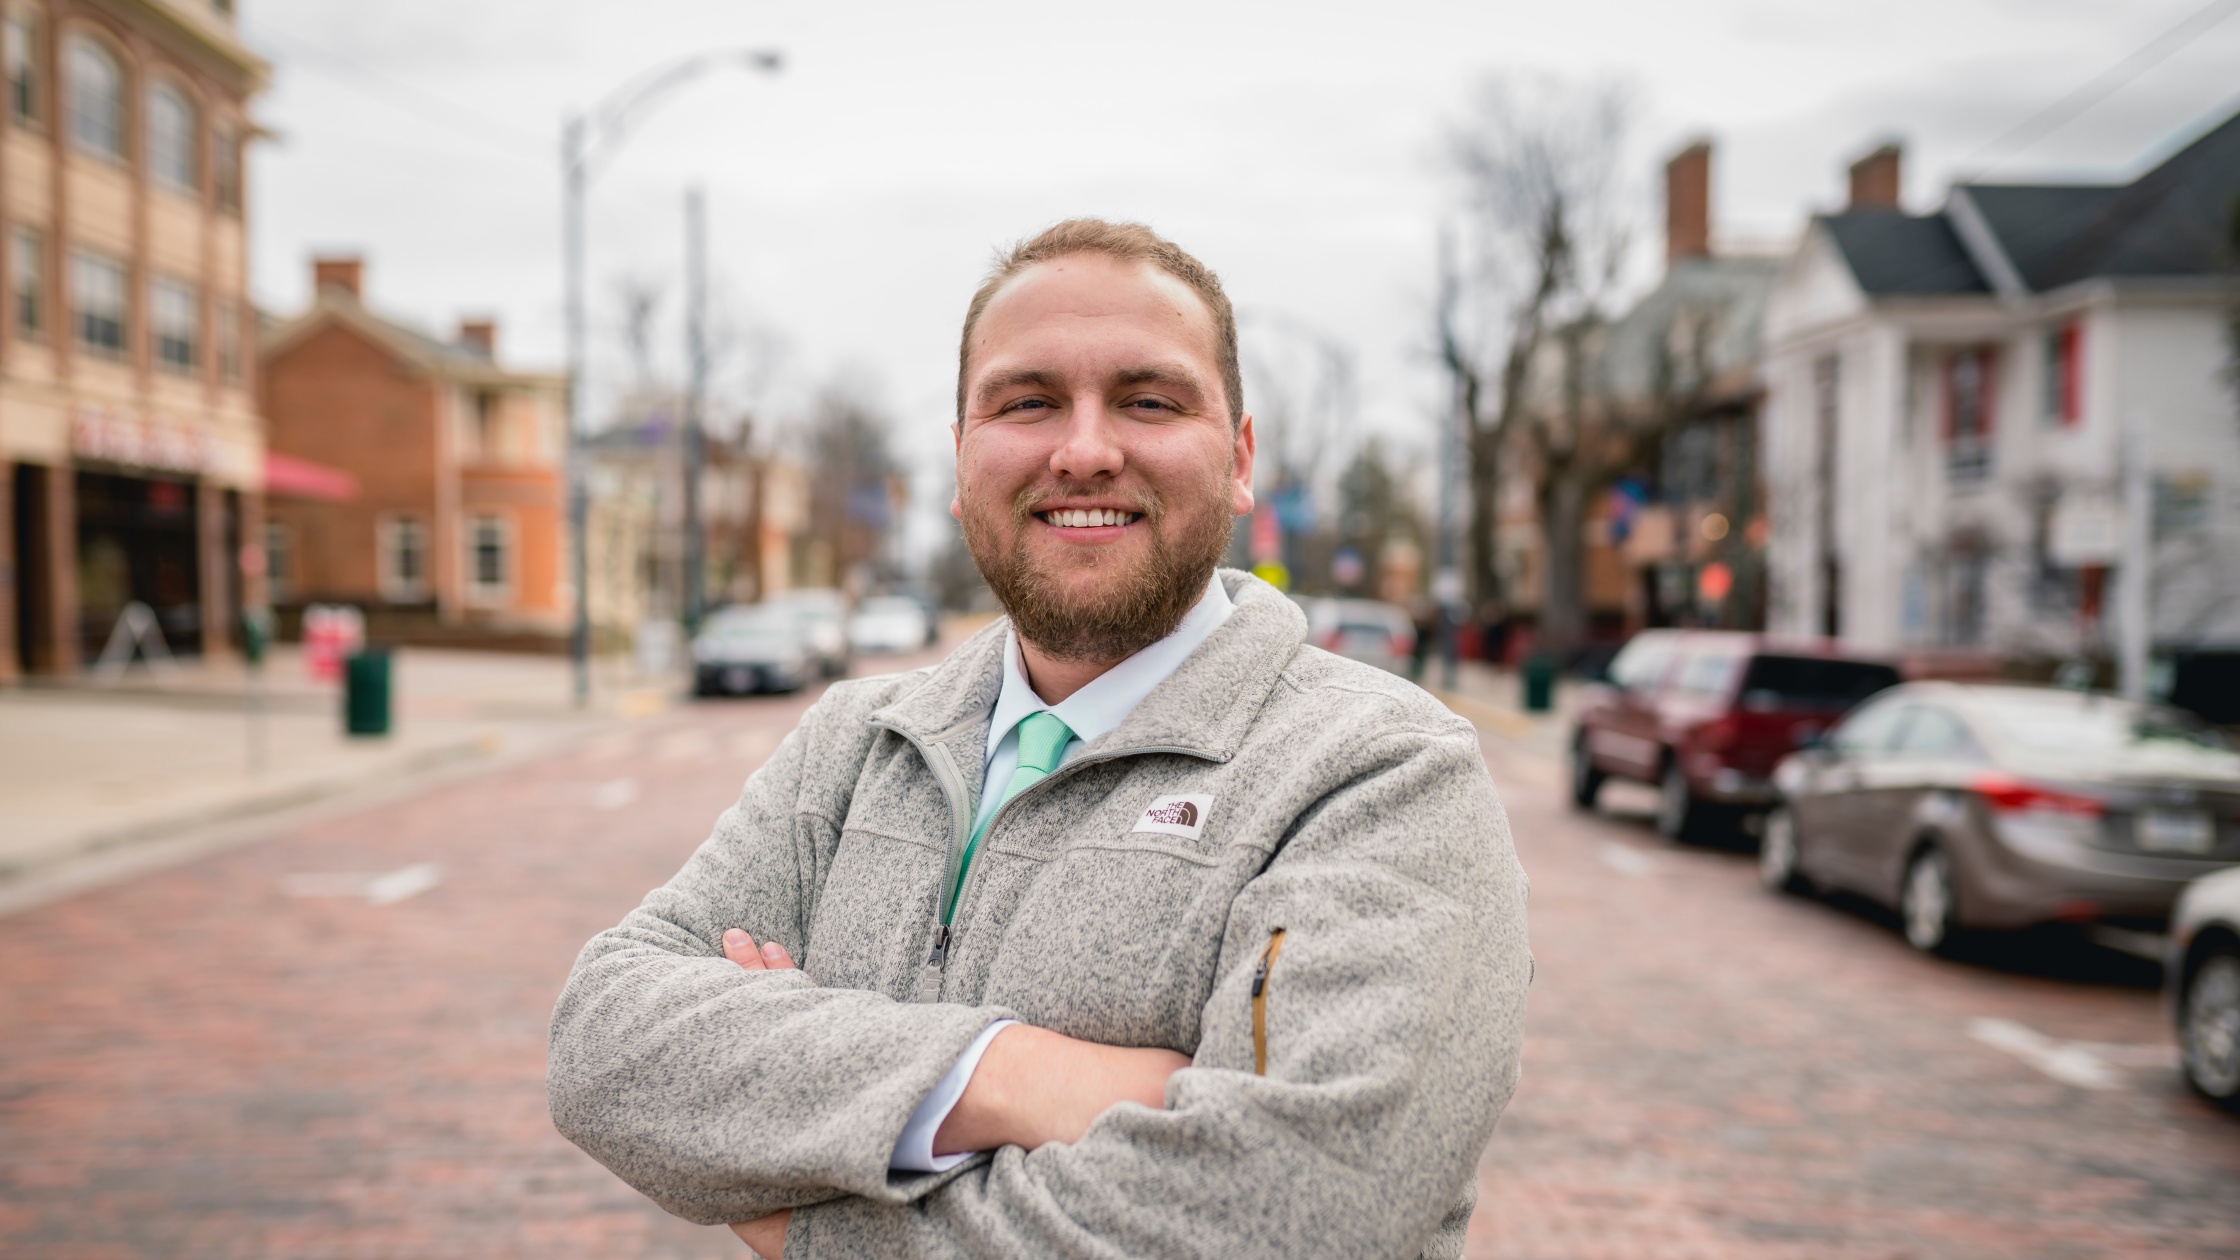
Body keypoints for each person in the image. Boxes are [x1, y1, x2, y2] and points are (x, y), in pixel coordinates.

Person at [548, 219, 1531, 1259]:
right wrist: (1024, 1076)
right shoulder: (853, 742)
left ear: (1239, 459)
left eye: (1148, 400)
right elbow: (603, 1046)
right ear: (962, 458)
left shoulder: (1383, 774)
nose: (1084, 450)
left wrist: (808, 1215)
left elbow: (1302, 1208)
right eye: (1027, 403)